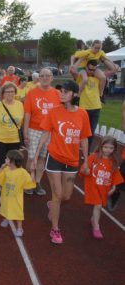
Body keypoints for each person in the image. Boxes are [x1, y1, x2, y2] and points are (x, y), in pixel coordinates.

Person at [32, 80, 91, 244]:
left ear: (75, 94)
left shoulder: (83, 114)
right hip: (55, 158)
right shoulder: (54, 112)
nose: (61, 94)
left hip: (72, 161)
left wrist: (86, 161)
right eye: (60, 91)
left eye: (65, 91)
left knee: (66, 196)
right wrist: (37, 155)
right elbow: (44, 134)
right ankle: (55, 229)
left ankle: (52, 205)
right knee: (58, 194)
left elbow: (84, 139)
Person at [23, 68, 61, 196]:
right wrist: (25, 132)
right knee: (32, 157)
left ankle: (37, 182)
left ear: (52, 78)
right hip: (34, 129)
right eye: (42, 75)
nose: (45, 78)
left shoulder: (57, 94)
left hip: (49, 132)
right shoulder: (32, 93)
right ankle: (29, 181)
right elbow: (27, 114)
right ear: (39, 78)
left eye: (48, 76)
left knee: (42, 157)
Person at [80, 136, 123, 239]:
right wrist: (86, 171)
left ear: (114, 149)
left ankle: (93, 219)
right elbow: (83, 170)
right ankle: (96, 227)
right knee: (98, 206)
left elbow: (115, 175)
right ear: (101, 146)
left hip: (104, 188)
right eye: (106, 147)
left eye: (111, 148)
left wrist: (114, 186)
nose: (108, 150)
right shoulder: (94, 157)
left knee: (98, 206)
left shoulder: (113, 162)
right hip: (93, 186)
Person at [0, 82, 24, 198]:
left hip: (14, 139)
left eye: (12, 91)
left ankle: (10, 184)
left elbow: (21, 124)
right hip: (0, 139)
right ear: (2, 94)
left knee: (14, 164)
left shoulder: (19, 105)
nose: (10, 94)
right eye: (7, 92)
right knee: (0, 163)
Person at [0, 150, 36, 237]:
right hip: (6, 195)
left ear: (12, 161)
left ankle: (19, 228)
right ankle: (7, 218)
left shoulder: (22, 172)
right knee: (6, 207)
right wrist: (2, 168)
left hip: (16, 198)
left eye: (7, 158)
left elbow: (30, 182)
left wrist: (32, 172)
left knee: (18, 213)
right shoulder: (6, 170)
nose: (5, 159)